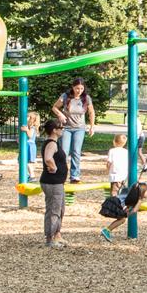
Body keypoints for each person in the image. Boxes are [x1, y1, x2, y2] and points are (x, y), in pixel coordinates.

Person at [51, 77, 95, 183]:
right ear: (73, 87)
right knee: (64, 152)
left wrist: (92, 126)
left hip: (79, 128)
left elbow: (91, 112)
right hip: (66, 128)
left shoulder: (86, 98)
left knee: (76, 151)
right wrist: (60, 114)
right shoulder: (65, 97)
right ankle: (61, 174)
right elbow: (54, 107)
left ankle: (75, 175)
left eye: (81, 88)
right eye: (77, 88)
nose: (79, 91)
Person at [40, 120, 68, 248]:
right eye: (60, 127)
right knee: (53, 210)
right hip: (52, 182)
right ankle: (50, 239)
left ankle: (57, 234)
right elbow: (48, 158)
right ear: (54, 130)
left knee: (60, 209)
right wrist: (54, 167)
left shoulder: (55, 142)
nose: (62, 129)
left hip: (58, 182)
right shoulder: (51, 143)